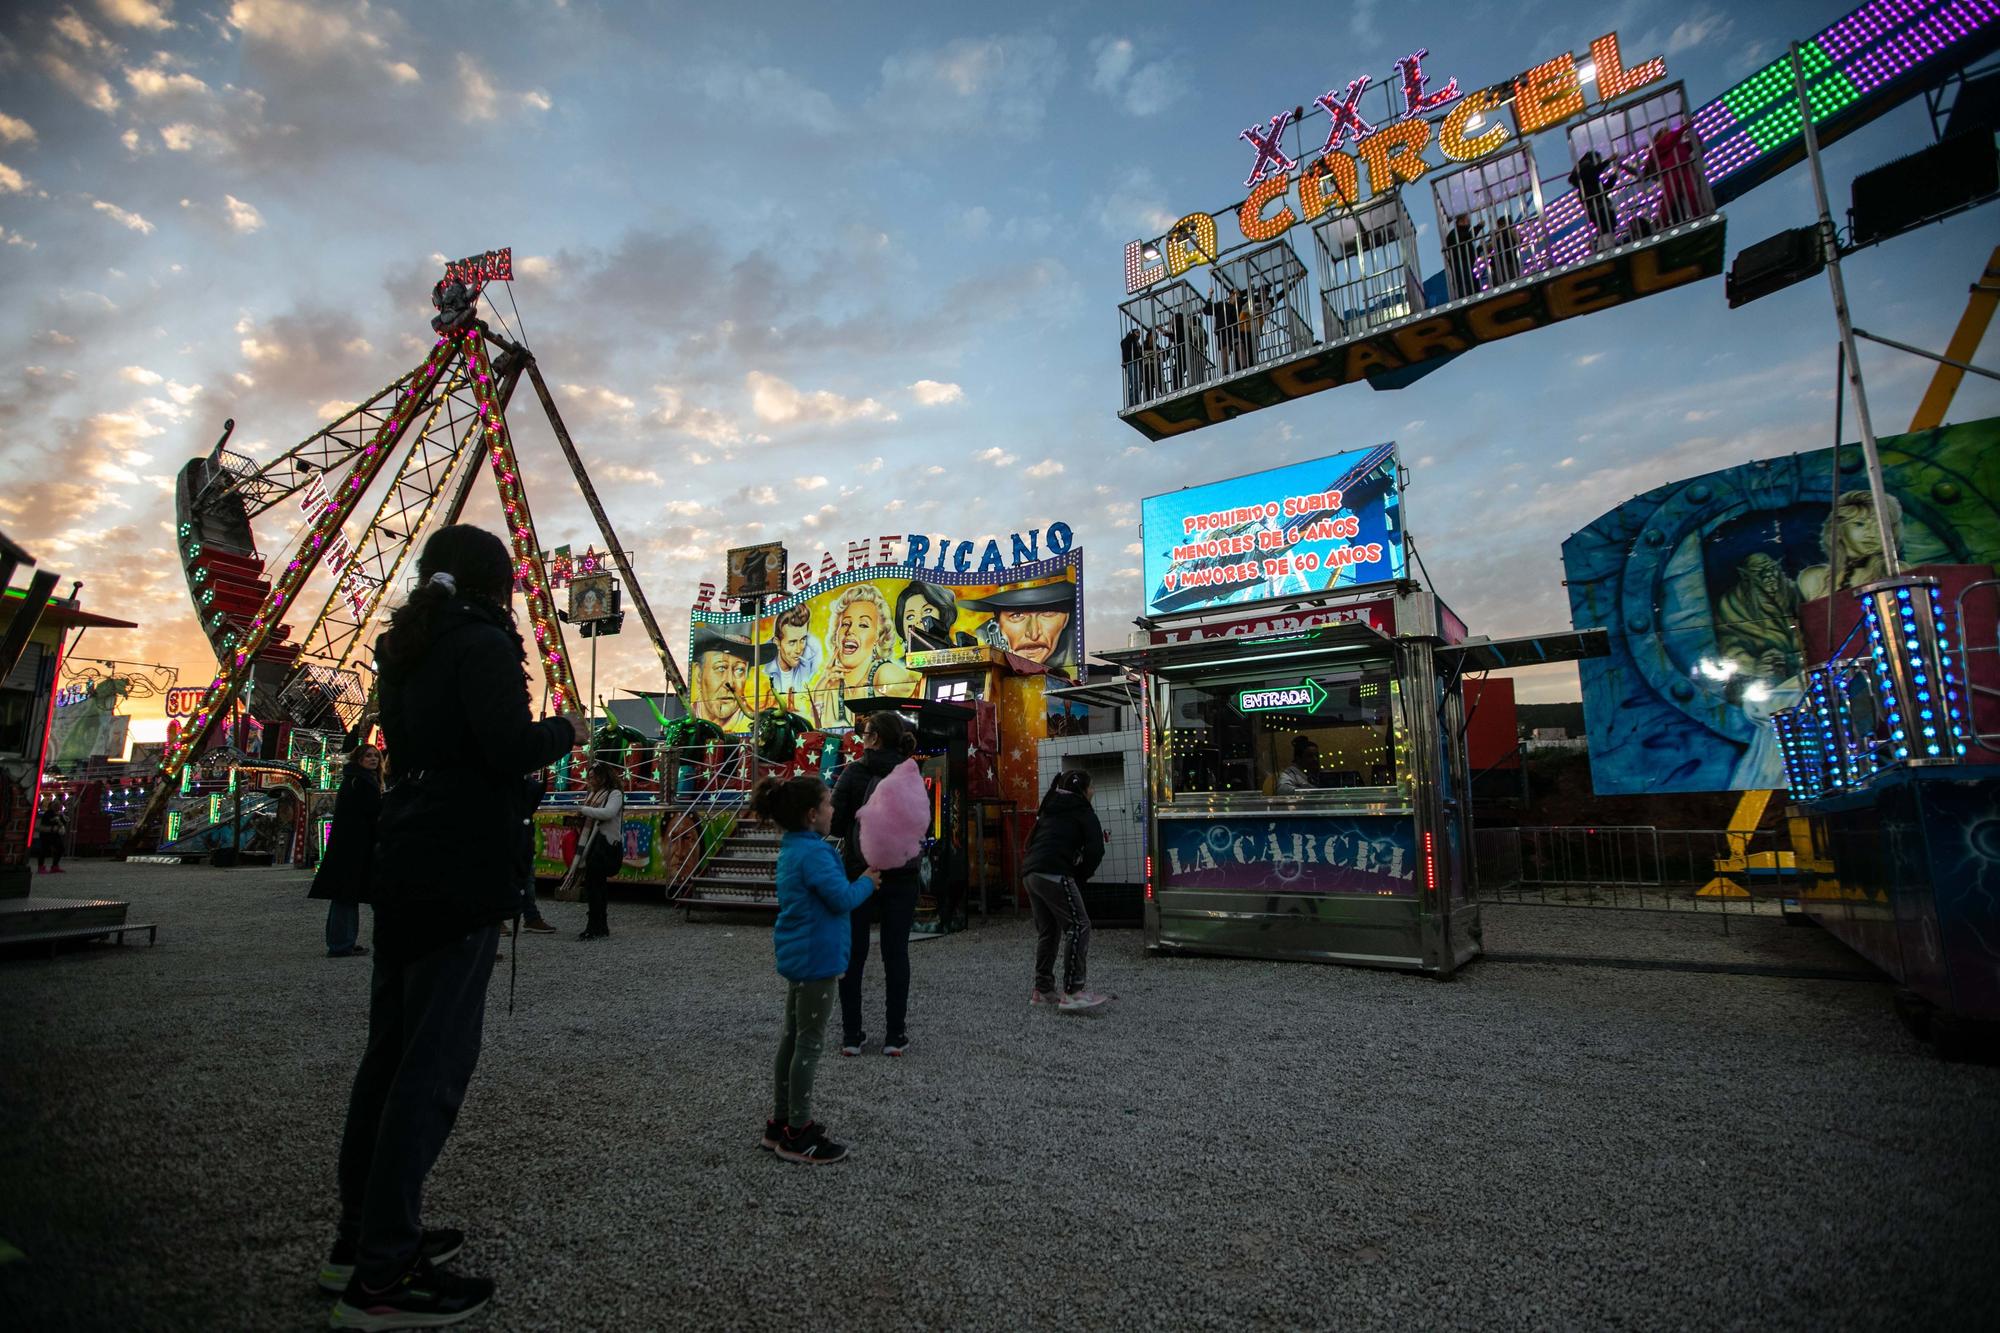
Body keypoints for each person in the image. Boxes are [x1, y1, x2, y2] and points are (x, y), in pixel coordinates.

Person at [321, 524, 585, 1328]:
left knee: (390, 1054)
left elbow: (435, 746)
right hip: (460, 861)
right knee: (431, 1067)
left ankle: (358, 1236)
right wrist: (566, 730)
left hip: (405, 854)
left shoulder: (406, 646)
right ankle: (384, 1272)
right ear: (494, 583)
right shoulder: (480, 644)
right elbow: (507, 745)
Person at [752, 772, 878, 1165]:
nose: (833, 809)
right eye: (827, 803)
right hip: (818, 957)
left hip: (799, 955)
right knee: (808, 1044)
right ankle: (799, 1134)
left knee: (792, 1039)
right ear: (811, 814)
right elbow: (841, 899)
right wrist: (867, 882)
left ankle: (781, 1122)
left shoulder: (793, 848)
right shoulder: (818, 853)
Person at [832, 710, 923, 1058]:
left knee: (853, 955)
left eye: (865, 731)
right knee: (895, 954)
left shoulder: (855, 772)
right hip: (903, 875)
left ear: (875, 738)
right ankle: (895, 1036)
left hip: (860, 873)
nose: (861, 736)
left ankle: (852, 1036)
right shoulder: (910, 772)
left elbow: (837, 826)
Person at [1020, 769, 1109, 1011]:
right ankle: (1073, 991)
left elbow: (1034, 839)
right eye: (1091, 788)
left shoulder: (1051, 806)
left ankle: (1043, 989)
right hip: (1054, 871)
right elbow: (1095, 851)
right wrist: (1079, 877)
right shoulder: (1083, 811)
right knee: (1079, 925)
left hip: (1031, 873)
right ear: (1083, 790)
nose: (1093, 792)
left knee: (1049, 931)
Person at [808, 584, 921, 728]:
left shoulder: (885, 673)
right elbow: (817, 734)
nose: (850, 631)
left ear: (878, 637)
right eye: (845, 623)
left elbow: (921, 697)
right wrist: (820, 691)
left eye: (863, 625)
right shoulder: (831, 685)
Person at [310, 743, 382, 958]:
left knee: (345, 895)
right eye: (368, 756)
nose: (373, 759)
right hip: (353, 846)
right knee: (347, 894)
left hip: (348, 845)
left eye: (375, 756)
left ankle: (342, 940)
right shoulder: (360, 782)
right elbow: (373, 812)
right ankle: (342, 943)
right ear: (358, 759)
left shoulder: (355, 780)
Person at [961, 582, 1075, 669]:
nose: (1033, 634)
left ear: (1066, 618)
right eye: (1017, 615)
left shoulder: (1077, 648)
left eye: (1048, 613)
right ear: (998, 621)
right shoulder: (980, 644)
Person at [576, 763, 625, 942]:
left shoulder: (614, 794)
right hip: (594, 843)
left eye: (593, 777)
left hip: (604, 844)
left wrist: (584, 810)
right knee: (594, 886)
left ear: (602, 778)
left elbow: (608, 813)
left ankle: (595, 925)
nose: (590, 780)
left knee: (596, 887)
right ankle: (598, 924)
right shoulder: (594, 795)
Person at [690, 625, 769, 732]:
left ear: (747, 675)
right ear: (699, 674)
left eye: (740, 670)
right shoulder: (686, 725)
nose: (730, 683)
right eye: (721, 668)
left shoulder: (756, 729)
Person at [761, 605, 821, 721]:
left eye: (803, 640)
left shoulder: (813, 664)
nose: (799, 649)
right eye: (792, 642)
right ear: (777, 643)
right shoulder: (763, 671)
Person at [515, 774, 556, 933]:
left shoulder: (526, 785)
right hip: (513, 835)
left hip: (521, 835)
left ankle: (531, 916)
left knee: (527, 879)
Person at [893, 580, 969, 653]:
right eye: (910, 617)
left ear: (943, 614)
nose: (919, 620)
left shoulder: (961, 655)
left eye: (927, 610)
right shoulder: (895, 665)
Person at [1569, 150, 1619, 242]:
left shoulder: (1587, 181)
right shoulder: (1585, 168)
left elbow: (1603, 190)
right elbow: (1594, 172)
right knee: (1607, 226)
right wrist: (1608, 161)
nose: (1599, 162)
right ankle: (1606, 247)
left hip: (1595, 207)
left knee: (1605, 228)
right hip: (1598, 206)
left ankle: (1604, 246)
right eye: (1599, 160)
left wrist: (1613, 177)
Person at [1443, 213, 1483, 299]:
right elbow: (1466, 239)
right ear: (1463, 220)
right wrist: (1478, 227)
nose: (1469, 222)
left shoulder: (1460, 233)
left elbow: (1469, 251)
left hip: (1467, 265)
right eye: (1468, 219)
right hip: (1460, 266)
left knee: (1473, 284)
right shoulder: (1454, 234)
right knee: (1466, 286)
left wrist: (1480, 248)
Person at [34, 798, 67, 874]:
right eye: (56, 805)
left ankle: (54, 866)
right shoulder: (48, 814)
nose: (58, 806)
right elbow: (46, 824)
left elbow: (65, 822)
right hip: (46, 834)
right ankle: (41, 867)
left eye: (59, 805)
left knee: (60, 849)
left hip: (54, 834)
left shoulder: (59, 814)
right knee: (44, 850)